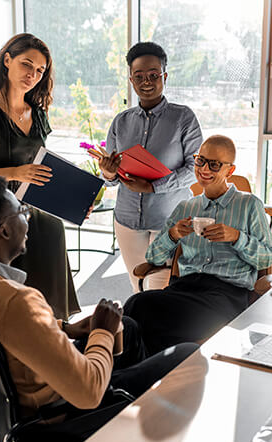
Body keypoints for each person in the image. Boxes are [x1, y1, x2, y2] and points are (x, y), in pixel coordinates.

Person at [0, 177, 199, 442]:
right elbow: (88, 393)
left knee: (131, 328)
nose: (28, 217)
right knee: (186, 354)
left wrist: (67, 328)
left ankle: (134, 413)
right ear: (4, 230)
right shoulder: (17, 300)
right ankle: (142, 430)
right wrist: (102, 333)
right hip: (57, 416)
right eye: (22, 211)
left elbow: (0, 330)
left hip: (3, 404)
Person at [0, 33, 78, 320]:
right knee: (7, 305)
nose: (32, 74)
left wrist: (74, 197)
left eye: (40, 70)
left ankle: (53, 342)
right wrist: (12, 173)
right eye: (26, 64)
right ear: (7, 60)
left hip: (40, 215)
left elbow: (42, 169)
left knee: (47, 305)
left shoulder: (39, 114)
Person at [124, 135, 272, 354]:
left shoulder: (249, 205)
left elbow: (268, 258)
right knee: (136, 304)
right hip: (183, 289)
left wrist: (237, 237)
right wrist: (173, 234)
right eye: (200, 160)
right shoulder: (186, 207)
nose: (204, 168)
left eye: (214, 164)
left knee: (159, 320)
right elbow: (153, 257)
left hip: (226, 295)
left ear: (229, 171)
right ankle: (134, 373)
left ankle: (146, 371)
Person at [98, 42, 203, 292]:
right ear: (131, 80)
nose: (147, 81)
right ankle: (140, 331)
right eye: (139, 76)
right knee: (137, 286)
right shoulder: (121, 122)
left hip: (169, 220)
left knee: (160, 289)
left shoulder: (183, 118)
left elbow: (195, 169)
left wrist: (154, 186)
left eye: (154, 75)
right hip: (126, 219)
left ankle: (153, 330)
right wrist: (108, 172)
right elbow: (111, 180)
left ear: (164, 77)